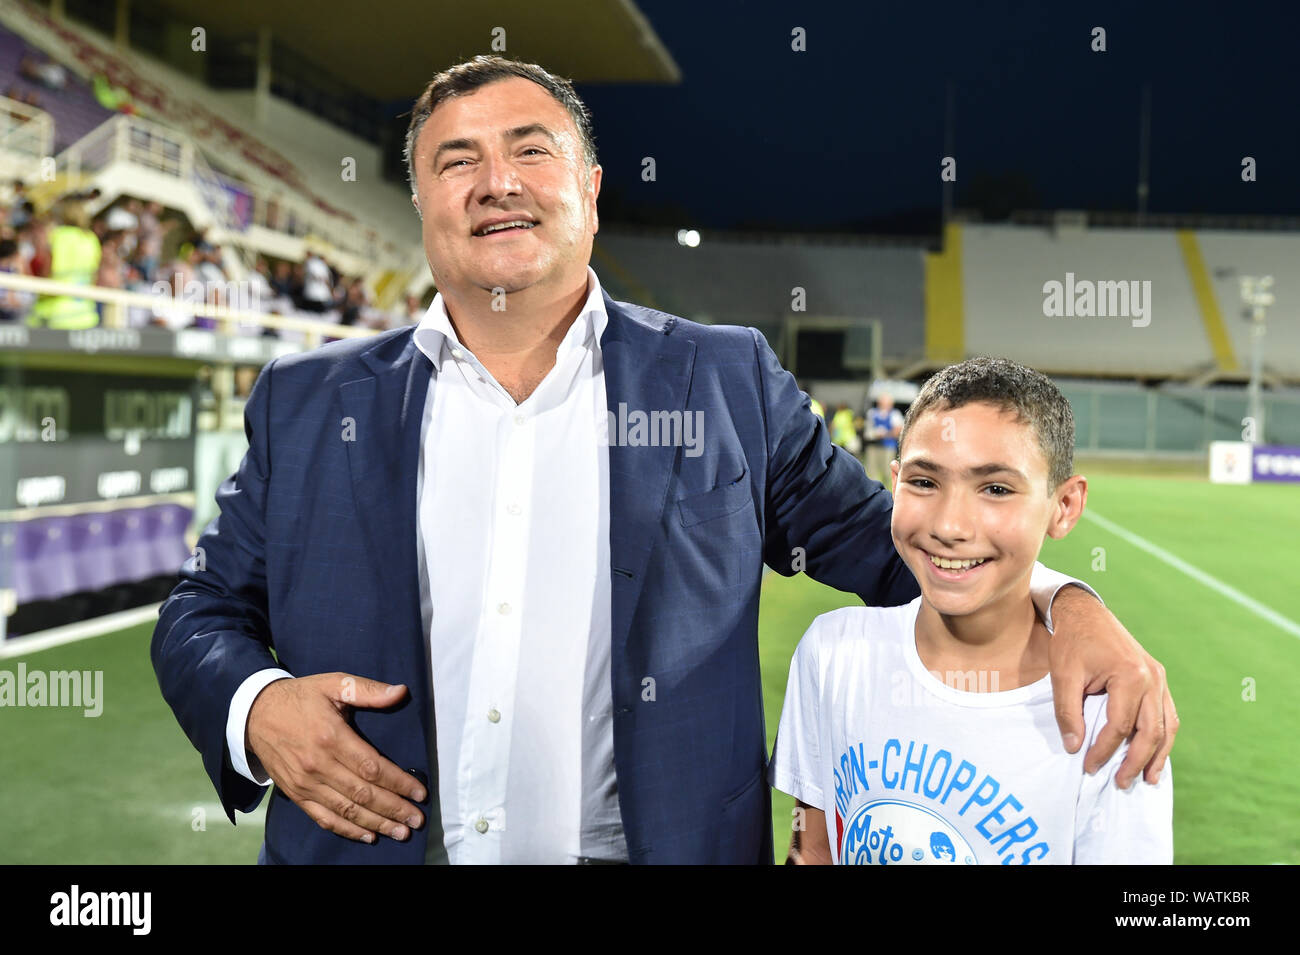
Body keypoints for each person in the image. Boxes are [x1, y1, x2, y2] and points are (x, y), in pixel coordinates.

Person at [152, 55, 1176, 866]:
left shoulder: (723, 377)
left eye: (530, 150)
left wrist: (1068, 601)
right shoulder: (308, 398)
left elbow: (888, 542)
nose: (496, 181)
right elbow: (201, 612)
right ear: (418, 200)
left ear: (590, 188)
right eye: (455, 160)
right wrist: (255, 705)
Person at [769, 358, 1173, 864]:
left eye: (996, 489)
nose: (951, 525)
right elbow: (812, 850)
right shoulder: (831, 653)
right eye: (923, 482)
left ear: (1064, 506)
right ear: (893, 483)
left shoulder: (1108, 715)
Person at [28, 201, 101, 329]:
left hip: (53, 313)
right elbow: (94, 276)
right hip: (84, 313)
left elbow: (46, 270)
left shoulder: (58, 235)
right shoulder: (91, 239)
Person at [865, 392, 904, 485]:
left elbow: (898, 431)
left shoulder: (895, 414)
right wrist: (874, 434)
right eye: (882, 402)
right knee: (871, 471)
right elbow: (868, 431)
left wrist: (885, 434)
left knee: (887, 472)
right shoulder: (872, 413)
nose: (884, 405)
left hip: (888, 446)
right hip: (873, 445)